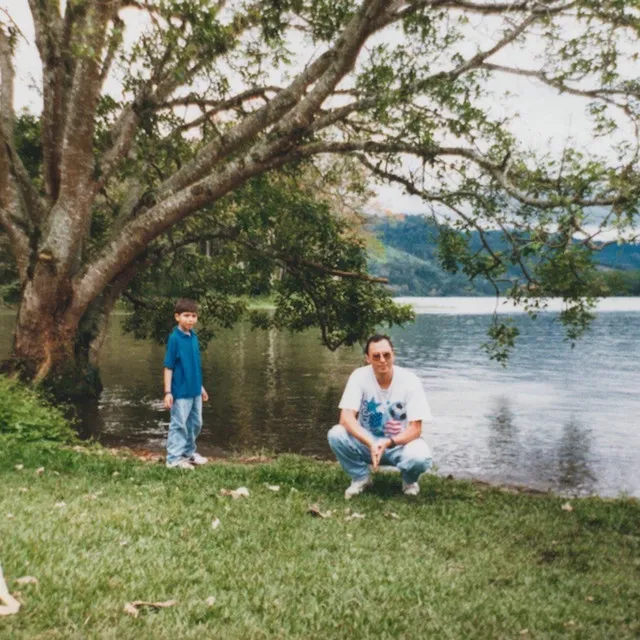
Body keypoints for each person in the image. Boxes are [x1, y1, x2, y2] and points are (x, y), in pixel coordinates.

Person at [328, 334, 433, 498]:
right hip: (368, 442)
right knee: (336, 434)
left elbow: (415, 429)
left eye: (386, 355)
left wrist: (389, 442)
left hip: (399, 443)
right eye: (376, 356)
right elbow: (346, 417)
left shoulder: (410, 380)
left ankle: (409, 481)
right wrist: (371, 443)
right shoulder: (359, 376)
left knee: (420, 457)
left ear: (394, 355)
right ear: (368, 359)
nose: (382, 360)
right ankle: (361, 478)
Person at [163, 298, 210, 469]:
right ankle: (173, 459)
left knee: (195, 423)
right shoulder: (174, 339)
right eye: (186, 315)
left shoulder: (194, 337)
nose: (190, 319)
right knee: (179, 424)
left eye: (194, 316)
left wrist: (201, 386)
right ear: (177, 317)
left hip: (195, 390)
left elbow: (194, 365)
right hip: (180, 392)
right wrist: (168, 392)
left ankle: (188, 453)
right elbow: (168, 367)